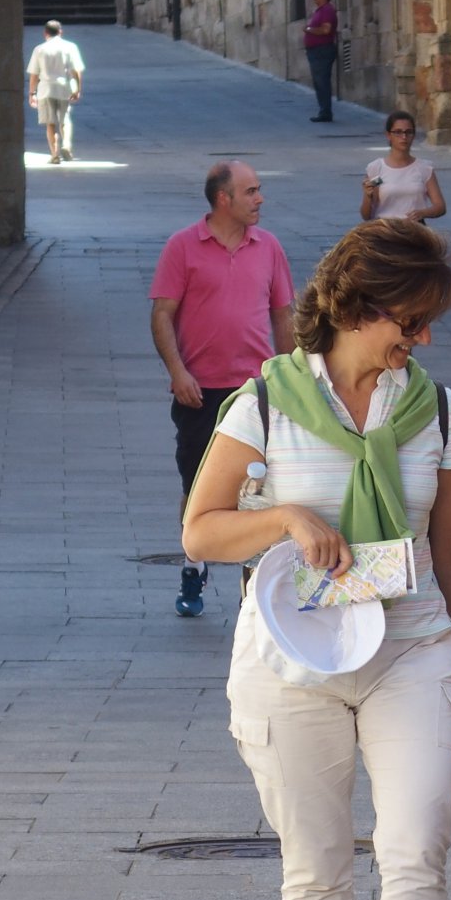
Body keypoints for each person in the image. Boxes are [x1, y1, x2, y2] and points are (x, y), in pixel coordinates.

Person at [182, 219, 451, 900]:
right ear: (360, 305)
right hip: (294, 658)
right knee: (314, 864)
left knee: (414, 850)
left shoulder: (432, 410)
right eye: (412, 318)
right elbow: (199, 531)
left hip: (412, 649)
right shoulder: (264, 403)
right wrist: (280, 518)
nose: (422, 338)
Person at [150, 160, 296, 617]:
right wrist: (178, 372)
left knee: (260, 488)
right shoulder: (183, 247)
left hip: (257, 391)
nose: (260, 199)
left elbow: (283, 316)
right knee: (197, 485)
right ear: (223, 199)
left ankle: (254, 579)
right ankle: (194, 563)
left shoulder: (268, 247)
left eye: (259, 189)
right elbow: (162, 315)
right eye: (251, 191)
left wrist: (292, 378)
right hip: (200, 391)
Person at [361, 110, 448, 223]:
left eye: (408, 132)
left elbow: (440, 207)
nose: (404, 137)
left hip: (415, 229)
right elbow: (366, 216)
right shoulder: (376, 168)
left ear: (413, 135)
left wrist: (422, 213)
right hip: (385, 230)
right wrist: (368, 196)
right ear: (388, 135)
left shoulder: (424, 168)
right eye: (398, 132)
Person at [26, 20, 84, 164]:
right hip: (64, 87)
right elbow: (76, 71)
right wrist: (77, 88)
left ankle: (54, 154)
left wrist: (31, 93)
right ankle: (67, 145)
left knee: (50, 123)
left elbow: (34, 74)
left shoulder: (39, 49)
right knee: (65, 119)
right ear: (60, 32)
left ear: (45, 33)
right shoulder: (70, 47)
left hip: (45, 89)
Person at [303, 0, 339, 123]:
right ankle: (324, 110)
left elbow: (325, 30)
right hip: (316, 51)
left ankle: (325, 112)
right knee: (319, 82)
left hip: (322, 50)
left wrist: (309, 29)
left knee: (322, 81)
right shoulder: (320, 10)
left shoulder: (327, 11)